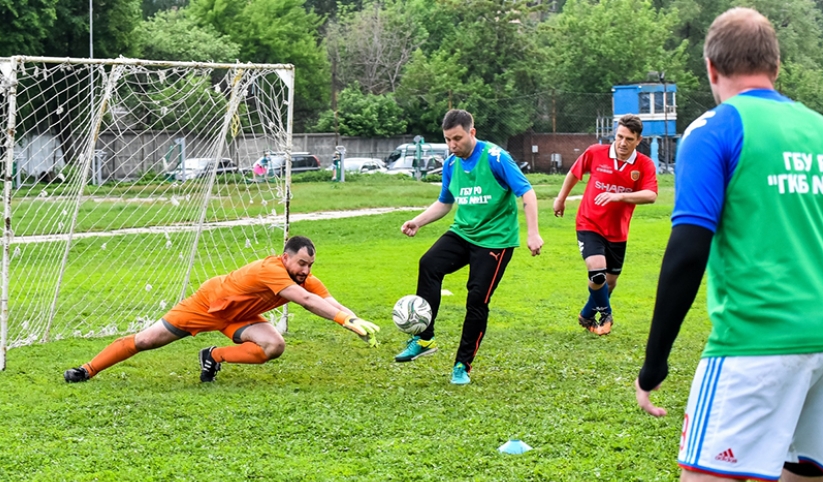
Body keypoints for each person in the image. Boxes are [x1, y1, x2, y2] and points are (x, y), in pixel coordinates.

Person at [635, 8, 823, 482]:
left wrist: (655, 361)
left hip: (755, 341)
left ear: (711, 68)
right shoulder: (818, 129)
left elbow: (688, 250)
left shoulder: (713, 129)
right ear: (776, 66)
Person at [63, 236, 380, 383]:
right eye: (301, 263)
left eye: (310, 265)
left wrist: (353, 318)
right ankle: (87, 369)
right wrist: (343, 320)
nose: (306, 270)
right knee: (146, 340)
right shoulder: (270, 269)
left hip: (239, 318)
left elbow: (329, 301)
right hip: (207, 305)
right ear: (285, 257)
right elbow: (308, 302)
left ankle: (213, 356)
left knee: (274, 345)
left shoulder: (304, 278)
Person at [398, 109, 544, 385]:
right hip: (463, 233)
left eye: (457, 138)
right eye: (447, 139)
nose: (452, 145)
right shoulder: (451, 164)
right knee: (429, 264)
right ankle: (424, 338)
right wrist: (418, 221)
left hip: (496, 241)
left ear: (472, 133)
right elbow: (445, 202)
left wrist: (533, 233)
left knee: (477, 299)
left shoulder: (496, 158)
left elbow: (527, 192)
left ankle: (462, 366)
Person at [552, 114, 658, 335]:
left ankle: (586, 315)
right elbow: (574, 173)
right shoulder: (596, 152)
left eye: (629, 139)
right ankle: (606, 313)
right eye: (619, 137)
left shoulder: (644, 164)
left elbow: (651, 195)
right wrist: (561, 199)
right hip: (589, 223)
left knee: (609, 282)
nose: (622, 143)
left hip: (618, 232)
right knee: (597, 272)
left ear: (638, 140)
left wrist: (619, 196)